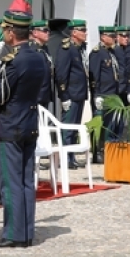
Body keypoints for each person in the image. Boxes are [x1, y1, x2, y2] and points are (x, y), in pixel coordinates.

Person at [0, 10, 49, 248]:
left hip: (11, 126)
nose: (3, 33)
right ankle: (26, 232)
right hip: (29, 124)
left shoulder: (15, 61)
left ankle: (13, 234)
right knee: (26, 181)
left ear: (11, 32)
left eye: (5, 30)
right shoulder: (39, 57)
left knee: (10, 183)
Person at [54, 19, 89, 169]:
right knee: (67, 128)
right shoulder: (66, 49)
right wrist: (64, 96)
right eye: (82, 31)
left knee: (74, 128)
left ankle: (71, 156)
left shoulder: (80, 48)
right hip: (71, 94)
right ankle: (64, 158)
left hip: (79, 94)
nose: (85, 33)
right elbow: (61, 74)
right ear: (74, 33)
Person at [88, 26, 120, 162]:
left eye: (114, 36)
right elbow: (94, 75)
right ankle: (97, 152)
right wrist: (96, 95)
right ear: (103, 37)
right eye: (111, 36)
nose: (114, 38)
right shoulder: (97, 53)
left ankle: (105, 149)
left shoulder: (111, 52)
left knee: (108, 125)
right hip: (102, 94)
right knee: (98, 125)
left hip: (111, 94)